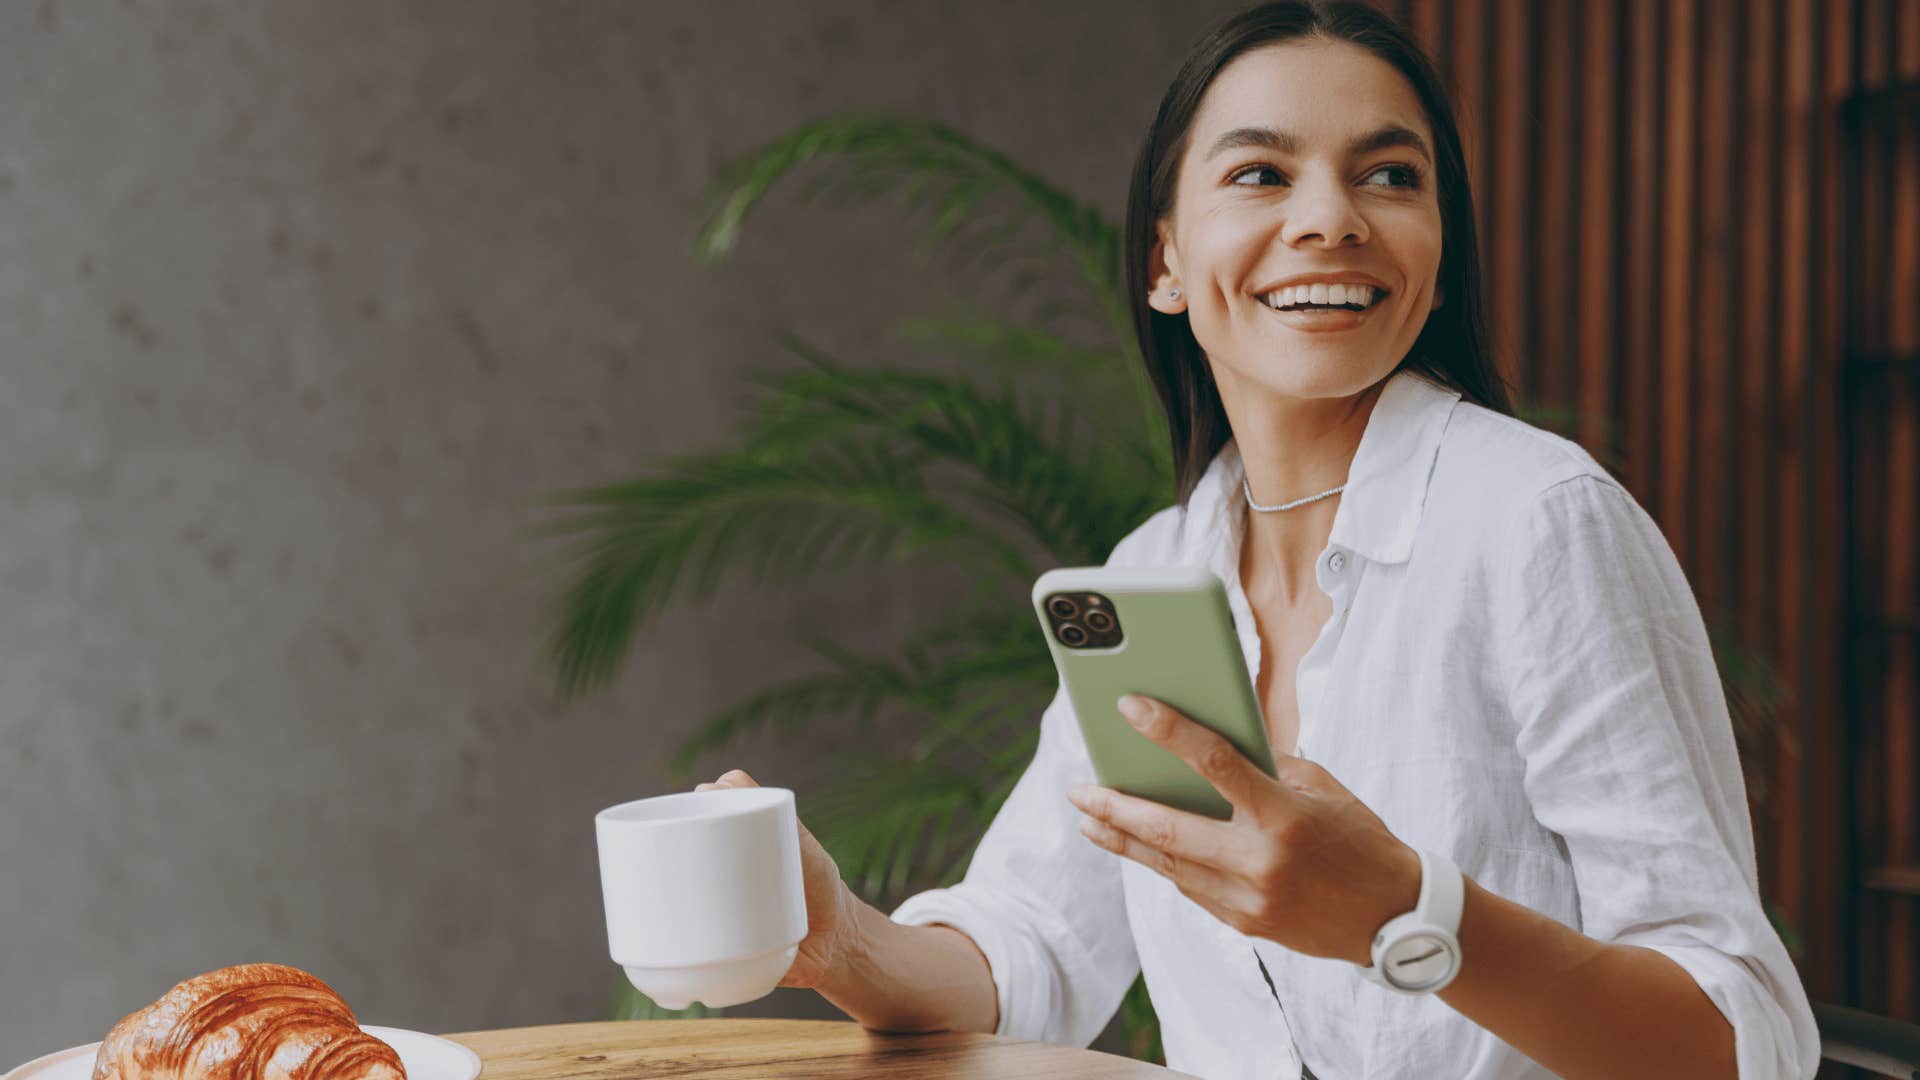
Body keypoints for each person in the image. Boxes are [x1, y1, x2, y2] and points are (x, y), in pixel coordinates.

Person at [697, 2, 1821, 1077]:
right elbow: (1033, 950)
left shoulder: (1538, 526)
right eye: (1259, 174)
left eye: (1390, 174)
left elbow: (1737, 1044)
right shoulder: (1153, 573)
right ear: (1166, 264)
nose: (1332, 217)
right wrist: (836, 936)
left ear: (1435, 264)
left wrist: (1405, 910)